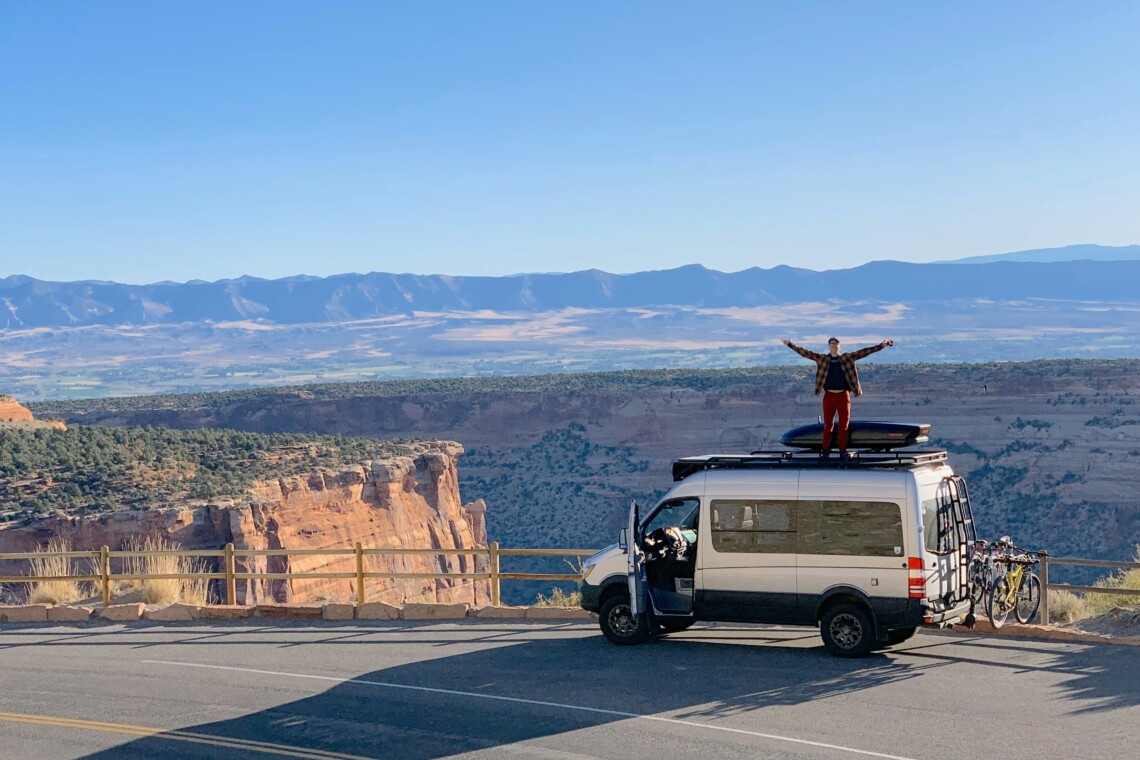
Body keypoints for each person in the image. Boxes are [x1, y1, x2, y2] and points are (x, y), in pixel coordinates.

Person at [780, 336, 894, 457]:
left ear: (840, 346)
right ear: (828, 347)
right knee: (828, 425)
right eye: (832, 344)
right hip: (829, 395)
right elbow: (805, 353)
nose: (834, 346)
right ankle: (826, 451)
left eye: (836, 344)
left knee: (843, 426)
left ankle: (842, 451)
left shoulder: (847, 358)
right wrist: (790, 344)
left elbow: (865, 352)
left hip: (843, 396)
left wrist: (882, 345)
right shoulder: (822, 359)